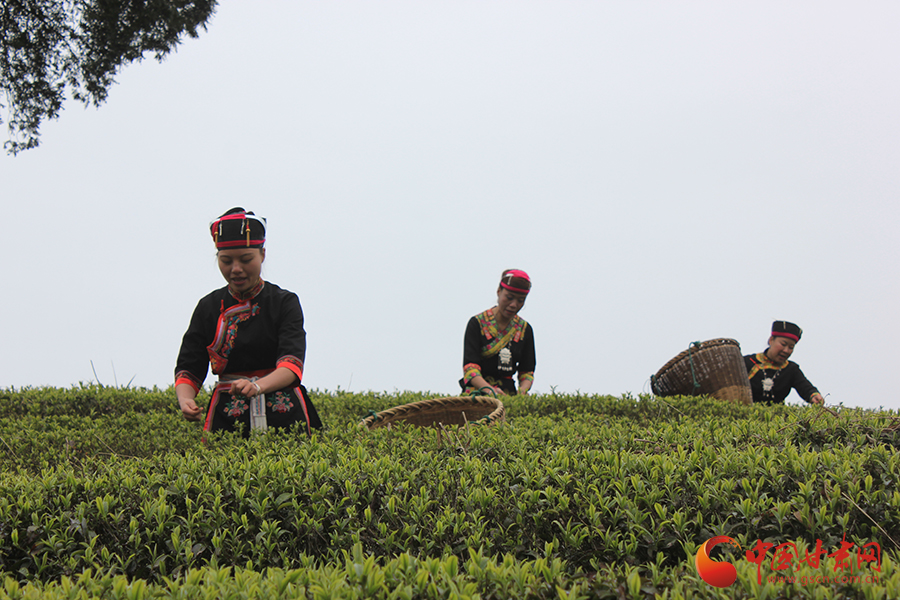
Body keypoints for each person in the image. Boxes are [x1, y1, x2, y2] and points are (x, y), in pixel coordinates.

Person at [174, 207, 322, 436]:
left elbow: (292, 365)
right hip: (227, 413)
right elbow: (189, 365)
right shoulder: (208, 307)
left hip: (285, 410)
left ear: (262, 254)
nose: (235, 269)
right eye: (225, 261)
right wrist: (185, 399)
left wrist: (257, 387)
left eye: (245, 259)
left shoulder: (284, 302)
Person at [460, 269, 536, 396]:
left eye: (520, 300)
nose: (513, 305)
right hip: (478, 392)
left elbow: (527, 371)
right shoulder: (477, 323)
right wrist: (490, 391)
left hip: (508, 394)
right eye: (509, 298)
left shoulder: (525, 329)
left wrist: (522, 392)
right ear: (499, 292)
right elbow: (470, 369)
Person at [744, 320, 824, 406]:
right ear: (771, 340)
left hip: (777, 416)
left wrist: (813, 395)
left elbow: (804, 386)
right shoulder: (747, 362)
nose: (786, 350)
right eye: (783, 344)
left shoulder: (791, 369)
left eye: (791, 347)